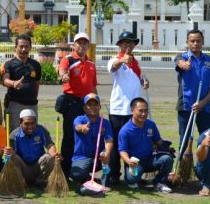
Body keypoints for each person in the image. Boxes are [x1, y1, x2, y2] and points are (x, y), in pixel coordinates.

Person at [107, 31, 146, 184]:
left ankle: (131, 175)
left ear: (134, 45)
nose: (128, 45)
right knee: (116, 144)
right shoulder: (114, 60)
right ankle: (114, 175)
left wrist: (144, 81)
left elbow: (137, 79)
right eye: (124, 42)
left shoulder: (136, 63)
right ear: (119, 45)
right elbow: (113, 68)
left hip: (134, 113)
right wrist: (122, 60)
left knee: (131, 144)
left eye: (130, 42)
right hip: (117, 110)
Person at [56, 32, 97, 174]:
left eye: (85, 43)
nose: (82, 45)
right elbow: (62, 70)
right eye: (79, 43)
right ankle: (65, 171)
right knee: (69, 137)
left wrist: (96, 103)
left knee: (86, 135)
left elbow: (93, 86)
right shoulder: (68, 59)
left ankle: (81, 170)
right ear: (74, 45)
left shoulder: (91, 63)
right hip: (72, 103)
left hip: (87, 104)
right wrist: (63, 76)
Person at [174, 29, 210, 151]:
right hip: (185, 107)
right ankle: (182, 168)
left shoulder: (209, 60)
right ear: (187, 42)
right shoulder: (183, 57)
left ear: (202, 42)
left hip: (203, 107)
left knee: (207, 140)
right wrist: (183, 64)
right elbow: (178, 61)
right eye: (192, 41)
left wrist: (202, 103)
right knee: (184, 141)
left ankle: (205, 169)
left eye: (198, 41)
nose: (195, 43)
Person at [118, 97, 173, 193]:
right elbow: (122, 151)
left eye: (146, 110)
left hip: (150, 159)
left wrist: (166, 147)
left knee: (167, 159)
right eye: (140, 111)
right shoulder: (125, 131)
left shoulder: (151, 124)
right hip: (135, 162)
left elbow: (157, 140)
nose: (144, 114)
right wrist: (128, 161)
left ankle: (159, 183)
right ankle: (131, 180)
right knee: (133, 178)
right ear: (132, 110)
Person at [4, 109, 58, 188]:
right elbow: (7, 157)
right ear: (20, 123)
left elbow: (50, 145)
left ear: (36, 122)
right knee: (13, 157)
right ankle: (20, 182)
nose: (30, 127)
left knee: (49, 157)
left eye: (33, 123)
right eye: (26, 124)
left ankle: (40, 181)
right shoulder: (14, 134)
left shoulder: (41, 130)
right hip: (23, 167)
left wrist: (55, 155)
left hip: (38, 166)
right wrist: (8, 153)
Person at [70, 93, 113, 186]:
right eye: (89, 105)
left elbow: (109, 140)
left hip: (99, 157)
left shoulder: (105, 122)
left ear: (100, 107)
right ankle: (87, 178)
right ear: (85, 108)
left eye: (95, 104)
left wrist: (107, 153)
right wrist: (82, 128)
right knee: (76, 174)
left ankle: (105, 182)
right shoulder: (79, 119)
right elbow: (77, 126)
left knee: (111, 153)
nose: (93, 107)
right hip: (82, 157)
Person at [1, 34, 42, 122]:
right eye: (21, 46)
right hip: (15, 104)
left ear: (30, 47)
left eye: (26, 47)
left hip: (32, 105)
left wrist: (33, 98)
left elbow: (37, 84)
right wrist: (13, 83)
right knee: (14, 133)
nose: (24, 49)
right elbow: (5, 80)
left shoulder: (36, 65)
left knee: (31, 131)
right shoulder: (9, 64)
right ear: (15, 47)